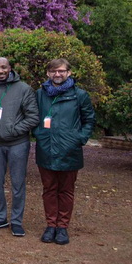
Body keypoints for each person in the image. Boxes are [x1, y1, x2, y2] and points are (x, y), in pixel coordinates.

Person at [34, 58, 95, 245]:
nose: (57, 74)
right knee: (49, 189)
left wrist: (79, 139)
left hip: (70, 150)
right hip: (46, 148)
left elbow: (89, 119)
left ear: (69, 73)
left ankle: (62, 227)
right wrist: (39, 134)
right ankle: (50, 225)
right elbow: (33, 117)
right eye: (53, 71)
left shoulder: (79, 95)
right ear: (48, 73)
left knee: (66, 191)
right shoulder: (40, 94)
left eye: (61, 71)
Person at [0, 58, 39, 237]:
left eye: (3, 67)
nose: (0, 71)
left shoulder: (24, 89)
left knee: (17, 183)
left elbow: (33, 117)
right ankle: (0, 217)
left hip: (17, 144)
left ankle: (16, 221)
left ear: (10, 68)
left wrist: (14, 130)